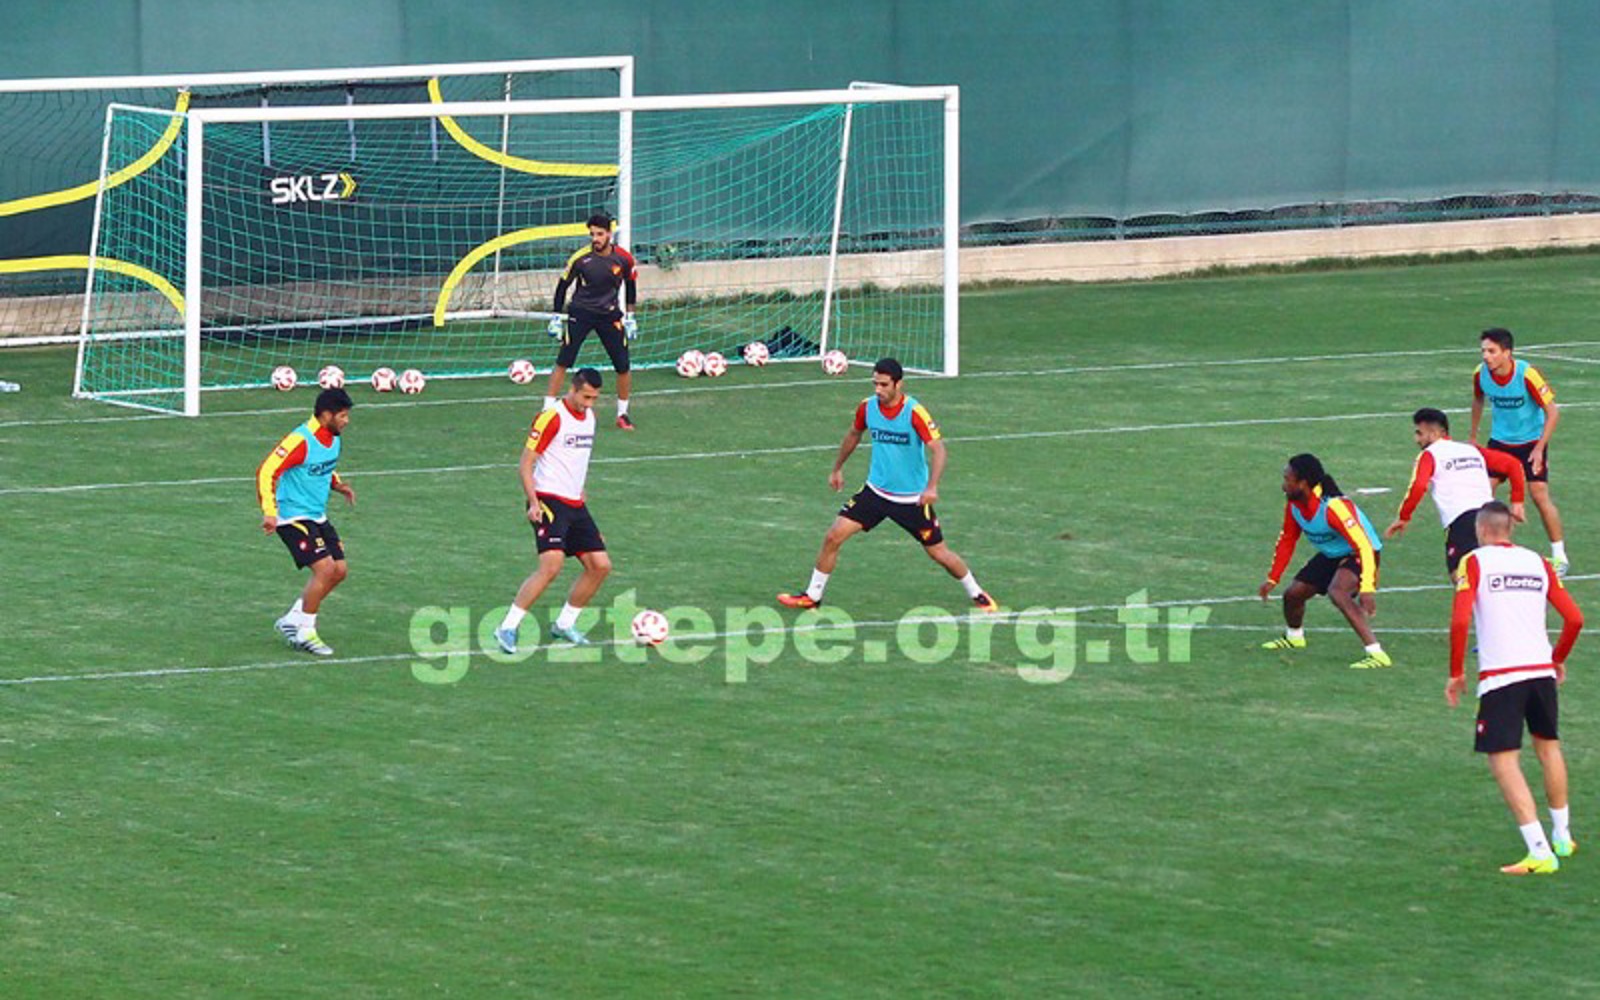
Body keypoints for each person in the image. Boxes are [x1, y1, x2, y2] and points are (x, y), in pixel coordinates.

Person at [777, 357, 997, 612]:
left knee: (939, 553)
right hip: (875, 493)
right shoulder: (867, 408)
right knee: (833, 536)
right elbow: (854, 434)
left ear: (898, 384)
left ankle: (976, 592)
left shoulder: (914, 412)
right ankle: (812, 596)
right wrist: (837, 468)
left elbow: (938, 450)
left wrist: (932, 487)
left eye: (883, 385)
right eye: (875, 384)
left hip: (911, 501)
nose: (878, 390)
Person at [1447, 500, 1582, 874]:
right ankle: (1562, 836)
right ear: (1509, 528)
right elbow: (1574, 618)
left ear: (1481, 530)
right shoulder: (1538, 561)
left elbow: (1460, 622)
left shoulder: (1474, 562)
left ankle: (1539, 852)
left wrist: (1456, 672)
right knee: (1548, 748)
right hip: (1540, 671)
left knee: (1503, 760)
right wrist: (1557, 658)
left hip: (1502, 675)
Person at [496, 367, 613, 652]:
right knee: (551, 565)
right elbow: (526, 463)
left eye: (594, 398)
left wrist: (581, 493)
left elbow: (576, 461)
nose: (588, 403)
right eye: (585, 397)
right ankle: (507, 627)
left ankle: (564, 624)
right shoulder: (552, 417)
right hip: (548, 499)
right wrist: (533, 501)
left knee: (600, 566)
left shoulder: (590, 418)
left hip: (575, 503)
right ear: (572, 389)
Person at [1258, 453, 1390, 669]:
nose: (1283, 486)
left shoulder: (1334, 507)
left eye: (1287, 480)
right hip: (1332, 555)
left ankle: (1376, 653)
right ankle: (1294, 637)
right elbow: (1287, 539)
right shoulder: (1294, 505)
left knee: (1338, 592)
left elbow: (1364, 546)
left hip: (1361, 554)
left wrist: (1367, 587)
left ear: (1303, 483)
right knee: (1293, 594)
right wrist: (1273, 578)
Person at [256, 387, 356, 656]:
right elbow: (267, 471)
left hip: (316, 515)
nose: (346, 421)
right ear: (326, 415)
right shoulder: (300, 440)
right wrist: (269, 511)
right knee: (325, 569)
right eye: (342, 416)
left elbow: (324, 465)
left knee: (339, 571)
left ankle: (293, 619)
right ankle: (305, 633)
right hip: (291, 517)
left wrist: (337, 484)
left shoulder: (332, 438)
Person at [1385, 407, 1526, 578]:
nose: (1417, 439)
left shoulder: (1430, 454)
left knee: (1461, 578)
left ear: (1435, 433)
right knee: (1493, 575)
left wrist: (1404, 517)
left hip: (1462, 521)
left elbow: (1418, 486)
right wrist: (1517, 502)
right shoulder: (1472, 450)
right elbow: (1513, 465)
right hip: (1491, 517)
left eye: (1420, 433)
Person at [1470, 327, 1566, 574]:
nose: (1486, 356)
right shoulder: (1480, 374)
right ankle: (1485, 551)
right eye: (1483, 351)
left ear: (1507, 353)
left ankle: (1559, 556)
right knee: (1483, 491)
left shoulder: (1527, 375)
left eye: (1492, 351)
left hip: (1530, 443)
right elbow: (1478, 399)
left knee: (1539, 494)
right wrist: (1473, 436)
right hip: (1500, 442)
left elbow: (1553, 412)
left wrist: (1539, 448)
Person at [544, 212, 639, 430]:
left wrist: (631, 316)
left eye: (600, 234)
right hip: (581, 313)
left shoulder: (624, 259)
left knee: (623, 365)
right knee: (563, 360)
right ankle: (547, 409)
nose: (595, 239)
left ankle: (622, 414)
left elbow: (631, 286)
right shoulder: (580, 258)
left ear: (609, 234)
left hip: (610, 315)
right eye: (592, 234)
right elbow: (562, 287)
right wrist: (556, 317)